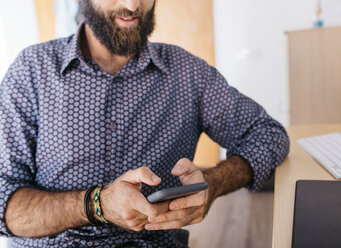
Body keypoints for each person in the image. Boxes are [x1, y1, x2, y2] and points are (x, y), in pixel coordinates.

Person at [0, 0, 290, 247]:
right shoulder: (32, 72)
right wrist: (96, 205)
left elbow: (269, 134)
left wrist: (213, 183)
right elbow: (5, 203)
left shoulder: (187, 73)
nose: (132, 6)